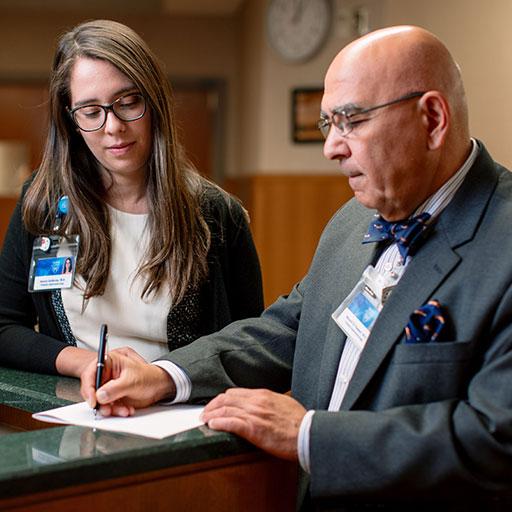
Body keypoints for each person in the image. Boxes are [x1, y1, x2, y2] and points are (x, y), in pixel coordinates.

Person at [81, 25, 512, 510]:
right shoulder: (353, 221)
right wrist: (165, 375)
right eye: (330, 124)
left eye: (351, 120)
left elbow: (494, 439)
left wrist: (308, 434)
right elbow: (288, 327)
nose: (332, 148)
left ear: (432, 118)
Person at [0, 19, 263, 378]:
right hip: (79, 415)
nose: (113, 127)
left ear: (153, 102)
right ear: (71, 119)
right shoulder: (45, 203)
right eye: (91, 112)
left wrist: (164, 379)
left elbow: (248, 348)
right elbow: (5, 327)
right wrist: (87, 365)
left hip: (182, 418)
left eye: (128, 102)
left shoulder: (217, 214)